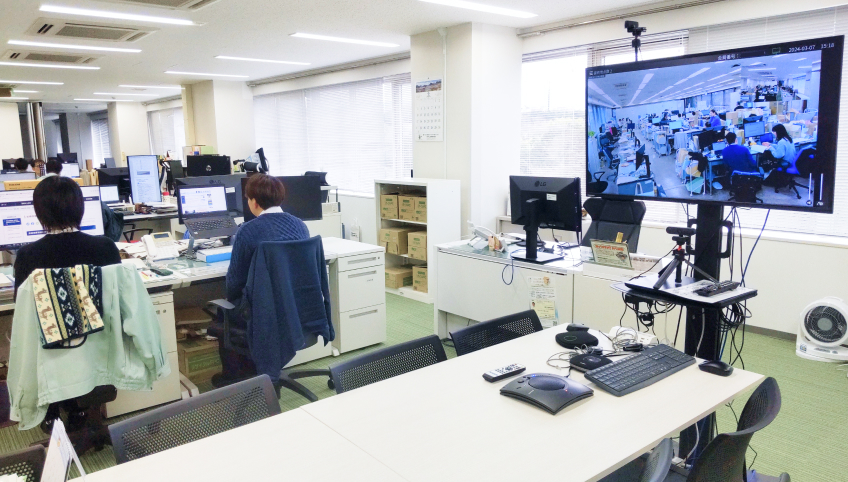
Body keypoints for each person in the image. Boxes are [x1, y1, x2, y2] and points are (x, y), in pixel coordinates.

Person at [216, 174, 310, 383]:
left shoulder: (248, 231)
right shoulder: (300, 226)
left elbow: (234, 283)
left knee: (223, 313)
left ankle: (235, 379)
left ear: (254, 202)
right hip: (295, 309)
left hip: (263, 314)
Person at [14, 176, 121, 293]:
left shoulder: (27, 255)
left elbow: (21, 301)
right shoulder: (106, 247)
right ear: (80, 207)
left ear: (38, 211)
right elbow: (120, 293)